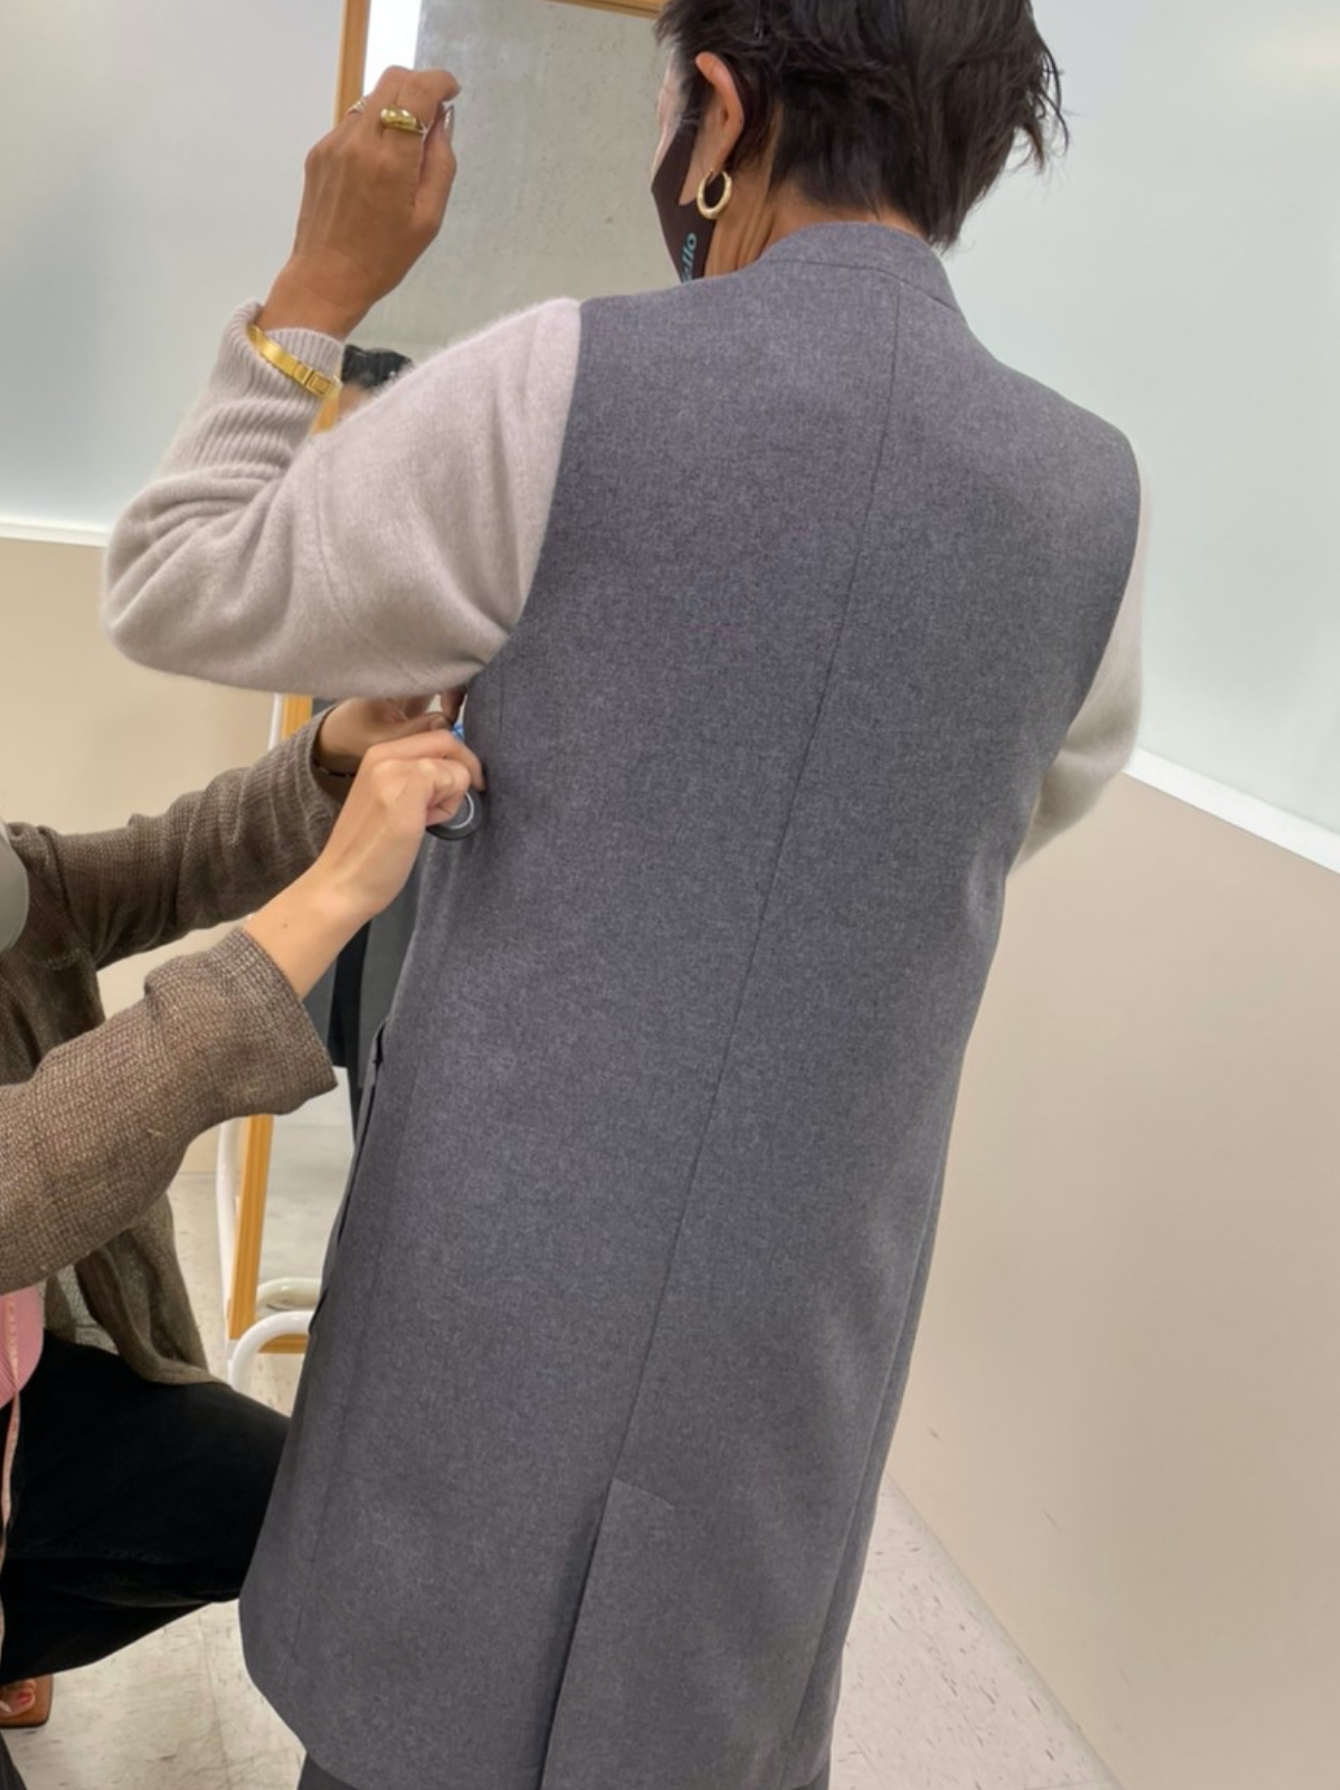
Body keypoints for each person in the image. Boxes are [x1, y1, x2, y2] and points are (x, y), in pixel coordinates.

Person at [103, 5, 1145, 1787]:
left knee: (409, 1710)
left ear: (720, 113)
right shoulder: (1091, 502)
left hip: (495, 1281)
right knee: (703, 1716)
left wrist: (316, 289)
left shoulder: (561, 386)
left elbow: (179, 581)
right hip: (795, 1323)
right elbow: (1012, 816)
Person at [0, 707, 480, 1790]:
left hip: (25, 1399)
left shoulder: (13, 883)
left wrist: (334, 751)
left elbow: (172, 862)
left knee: (296, 1508)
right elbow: (26, 1172)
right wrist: (332, 896)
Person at [305, 343, 427, 1129]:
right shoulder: (310, 555)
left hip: (412, 854)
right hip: (317, 828)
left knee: (385, 1057)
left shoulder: (452, 563)